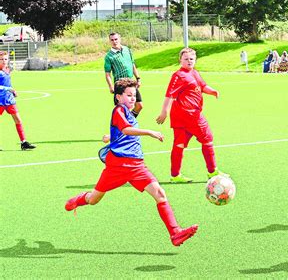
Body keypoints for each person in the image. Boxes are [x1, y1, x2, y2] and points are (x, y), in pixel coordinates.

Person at [64, 79, 198, 247]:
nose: (132, 98)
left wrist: (110, 136)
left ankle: (175, 232)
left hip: (137, 166)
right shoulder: (118, 110)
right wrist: (150, 132)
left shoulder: (128, 112)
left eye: (134, 95)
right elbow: (126, 129)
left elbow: (121, 132)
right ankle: (81, 199)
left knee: (160, 194)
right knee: (94, 199)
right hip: (117, 166)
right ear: (119, 97)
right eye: (128, 95)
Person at [156, 47, 228, 183]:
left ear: (195, 60)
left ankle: (175, 175)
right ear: (180, 60)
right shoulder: (178, 75)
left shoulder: (194, 73)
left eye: (191, 59)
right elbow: (169, 95)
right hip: (190, 115)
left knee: (179, 144)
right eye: (186, 59)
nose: (189, 61)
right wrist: (164, 111)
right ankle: (212, 172)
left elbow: (202, 86)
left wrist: (212, 91)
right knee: (207, 138)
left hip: (180, 117)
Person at [0, 51, 36, 151]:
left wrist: (13, 91)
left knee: (18, 120)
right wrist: (8, 89)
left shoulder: (7, 69)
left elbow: (8, 84)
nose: (4, 61)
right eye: (1, 59)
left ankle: (23, 142)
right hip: (0, 100)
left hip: (9, 100)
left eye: (5, 59)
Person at [104, 32, 142, 117]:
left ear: (119, 39)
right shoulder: (109, 56)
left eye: (116, 39)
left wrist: (138, 79)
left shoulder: (127, 50)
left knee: (139, 106)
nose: (114, 41)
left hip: (131, 83)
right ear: (109, 41)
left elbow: (133, 65)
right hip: (120, 84)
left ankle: (128, 122)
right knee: (121, 109)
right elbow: (107, 74)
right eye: (112, 40)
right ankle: (121, 127)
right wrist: (111, 86)